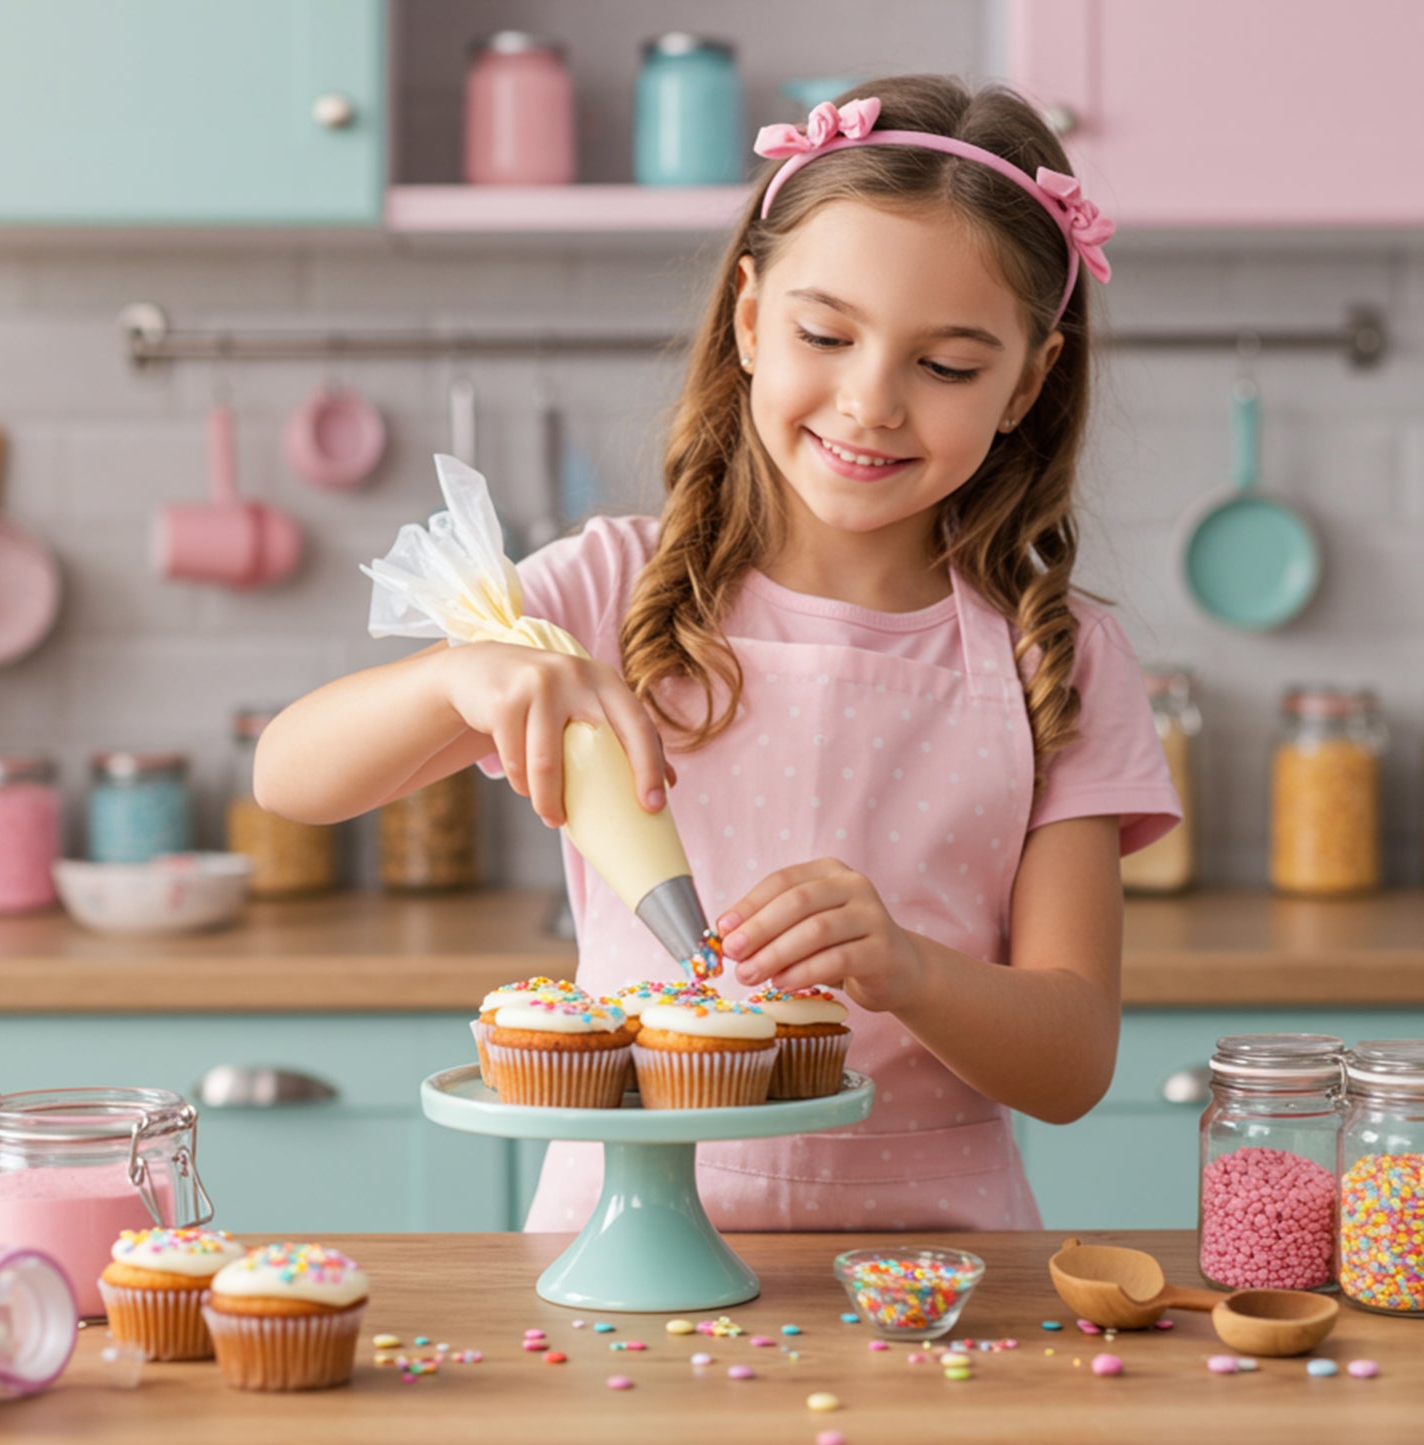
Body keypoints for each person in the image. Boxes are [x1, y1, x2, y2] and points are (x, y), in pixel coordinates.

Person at [255, 74, 1180, 1232]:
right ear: (748, 318)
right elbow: (288, 776)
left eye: (944, 366)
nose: (869, 402)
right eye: (823, 334)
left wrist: (909, 968)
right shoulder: (605, 590)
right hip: (617, 1255)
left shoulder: (1060, 656)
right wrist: (461, 674)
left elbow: (1072, 1062)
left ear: (1025, 385)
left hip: (934, 1280)